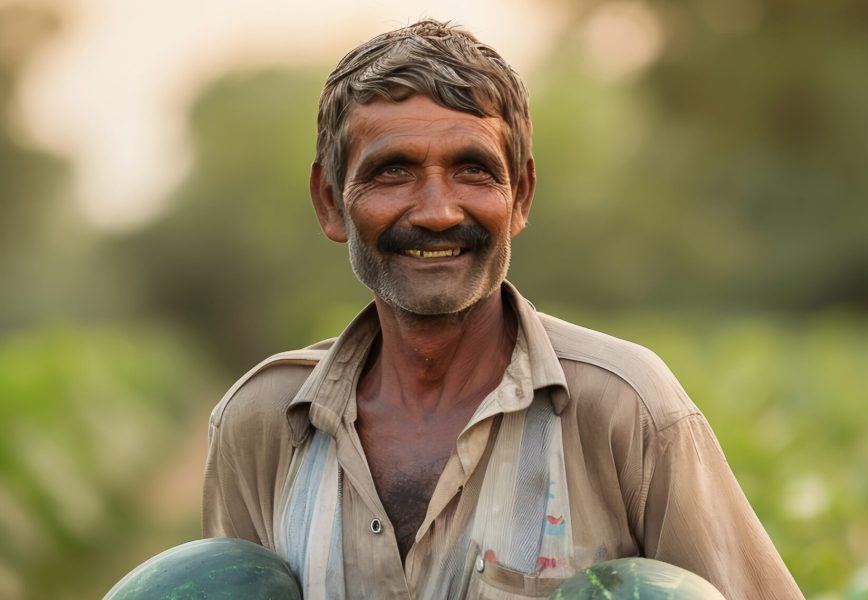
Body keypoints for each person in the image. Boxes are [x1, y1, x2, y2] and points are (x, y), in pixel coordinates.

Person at [202, 19, 803, 599]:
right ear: (331, 203)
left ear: (520, 197)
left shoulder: (628, 411)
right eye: (394, 172)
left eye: (473, 170)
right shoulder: (262, 425)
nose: (437, 212)